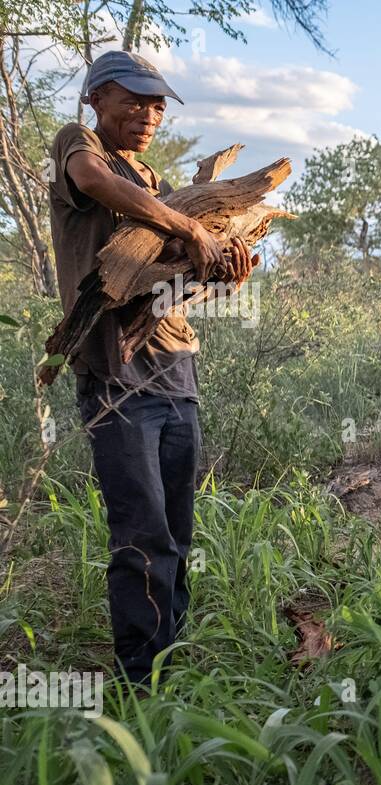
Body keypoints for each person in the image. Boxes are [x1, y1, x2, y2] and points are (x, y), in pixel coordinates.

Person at [48, 51, 256, 687]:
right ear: (97, 100)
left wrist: (224, 266)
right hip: (115, 377)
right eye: (133, 100)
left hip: (176, 372)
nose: (148, 114)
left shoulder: (161, 188)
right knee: (142, 535)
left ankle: (173, 659)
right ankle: (142, 681)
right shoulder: (80, 147)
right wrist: (191, 226)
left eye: (158, 104)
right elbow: (96, 182)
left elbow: (181, 279)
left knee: (176, 531)